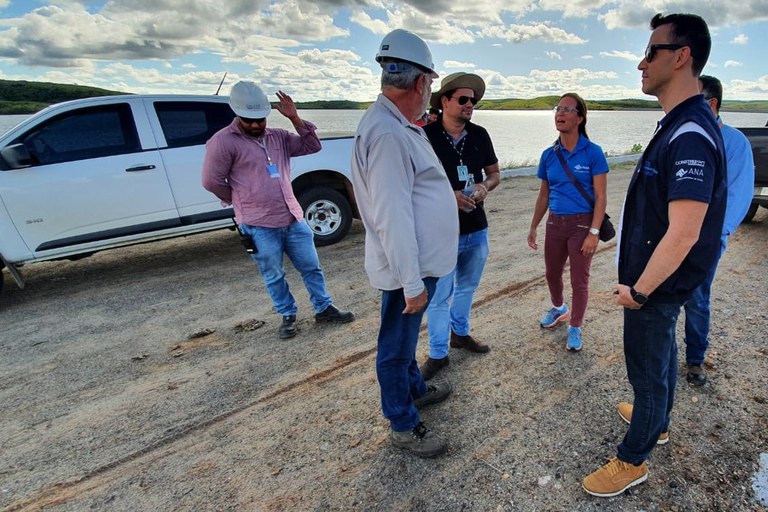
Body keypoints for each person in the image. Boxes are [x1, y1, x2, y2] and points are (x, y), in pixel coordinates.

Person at [582, 13, 726, 497]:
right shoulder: (682, 124)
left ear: (681, 56)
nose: (641, 64)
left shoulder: (690, 135)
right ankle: (657, 420)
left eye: (650, 52)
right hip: (663, 282)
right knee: (661, 356)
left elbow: (684, 233)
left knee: (646, 372)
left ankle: (633, 458)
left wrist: (640, 291)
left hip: (657, 284)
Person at [351, 29, 458, 458]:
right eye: (430, 83)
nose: (430, 90)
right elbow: (391, 216)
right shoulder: (389, 134)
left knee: (405, 339)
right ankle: (402, 422)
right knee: (395, 348)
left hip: (414, 263)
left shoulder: (395, 125)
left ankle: (414, 390)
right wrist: (411, 282)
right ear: (420, 82)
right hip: (405, 268)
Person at [202, 81, 354, 340]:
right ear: (236, 113)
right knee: (273, 274)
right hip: (258, 223)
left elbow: (312, 146)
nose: (255, 125)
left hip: (293, 218)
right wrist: (241, 199)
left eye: (260, 119)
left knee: (311, 267)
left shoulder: (278, 137)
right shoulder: (222, 142)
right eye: (249, 120)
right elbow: (211, 181)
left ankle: (323, 308)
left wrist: (294, 118)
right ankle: (287, 314)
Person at [419, 72, 500, 380]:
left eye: (473, 101)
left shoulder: (480, 134)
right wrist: (447, 196)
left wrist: (483, 187)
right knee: (440, 295)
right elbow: (414, 183)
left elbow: (494, 173)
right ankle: (438, 354)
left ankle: (460, 334)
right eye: (463, 99)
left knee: (467, 286)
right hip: (441, 231)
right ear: (444, 101)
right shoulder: (424, 136)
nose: (469, 105)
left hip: (476, 228)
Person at [681, 75, 755, 386]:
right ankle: (660, 359)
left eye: (693, 98)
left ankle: (695, 358)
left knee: (697, 298)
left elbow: (739, 194)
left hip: (705, 240)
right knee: (664, 297)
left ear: (711, 104)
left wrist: (716, 235)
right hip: (673, 235)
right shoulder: (686, 135)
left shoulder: (735, 143)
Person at [527, 93, 609, 352]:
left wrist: (594, 232)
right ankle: (559, 308)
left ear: (580, 118)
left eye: (566, 110)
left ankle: (575, 325)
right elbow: (544, 195)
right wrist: (534, 226)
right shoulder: (549, 155)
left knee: (579, 279)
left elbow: (601, 196)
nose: (560, 114)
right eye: (558, 109)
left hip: (582, 225)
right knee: (552, 273)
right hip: (555, 223)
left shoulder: (593, 152)